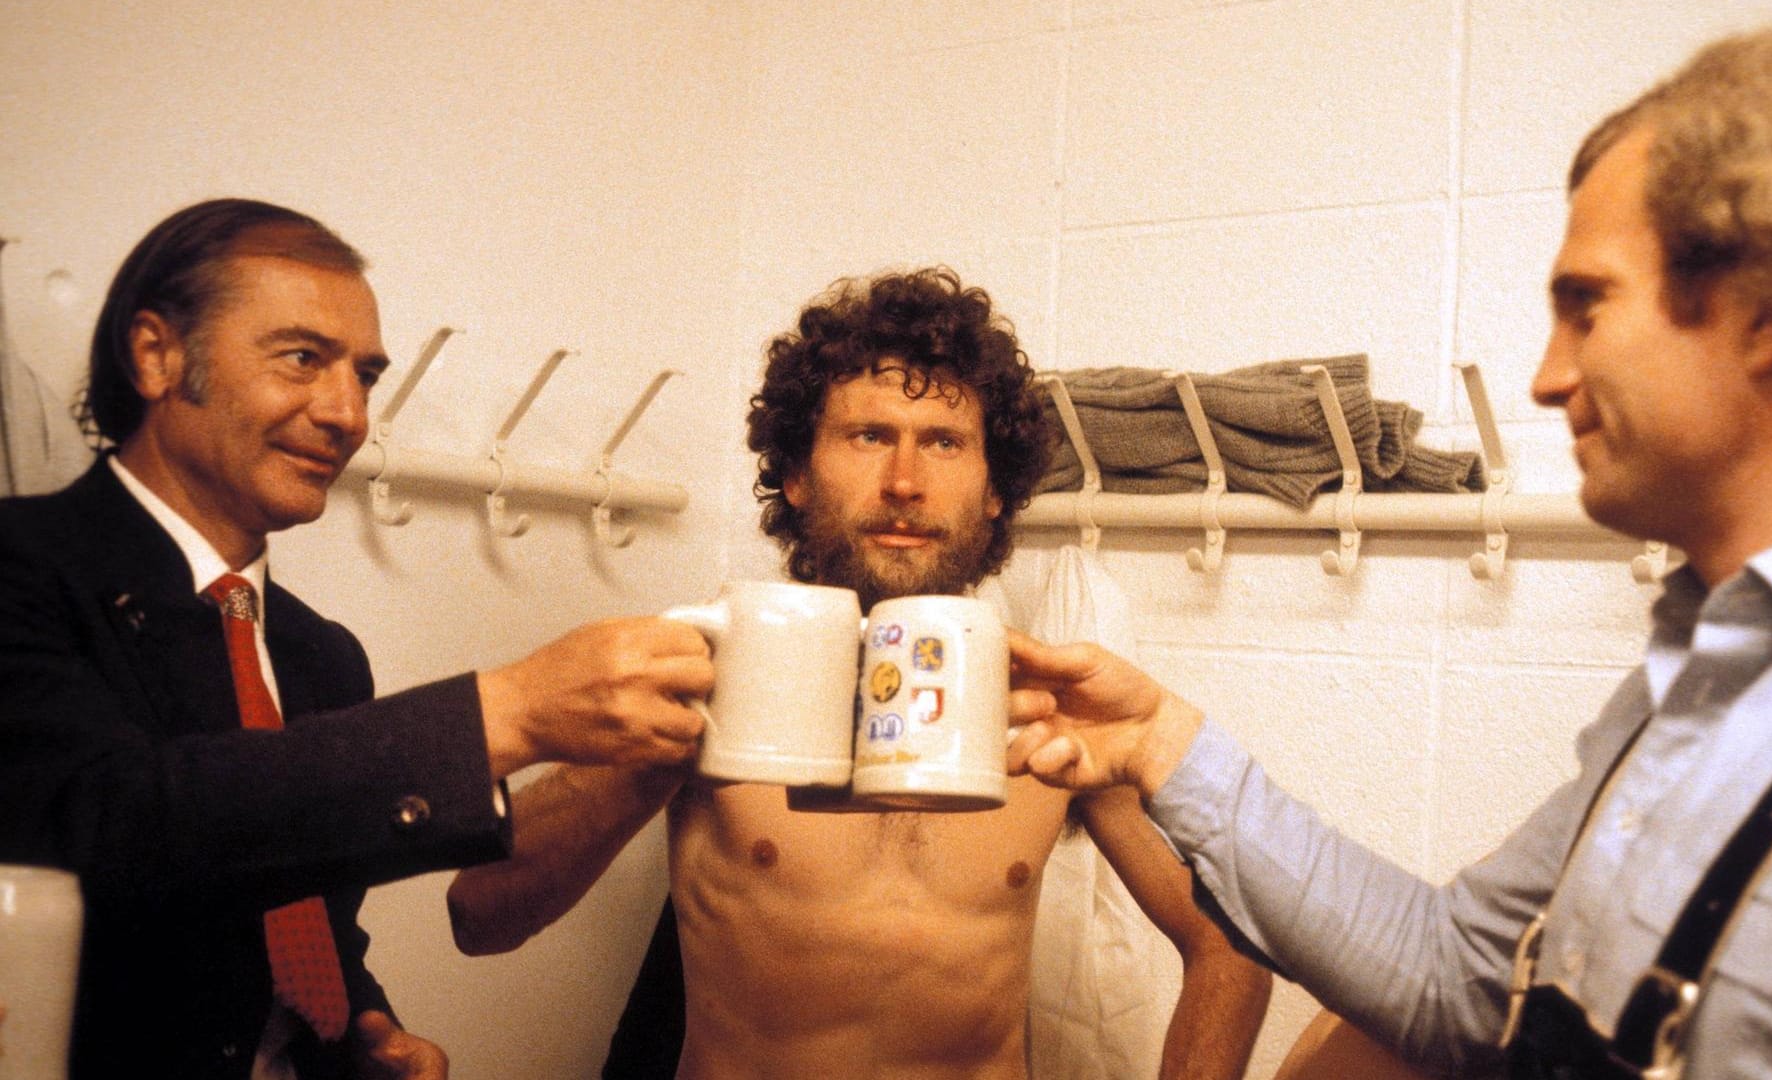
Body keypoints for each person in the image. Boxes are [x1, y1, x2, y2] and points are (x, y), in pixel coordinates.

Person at [1005, 24, 1772, 1080]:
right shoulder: (1697, 680)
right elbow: (1452, 984)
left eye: (1588, 307)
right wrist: (1161, 739)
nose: (1545, 376)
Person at [447, 267, 1273, 1078]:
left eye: (944, 443)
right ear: (798, 474)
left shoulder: (1046, 711)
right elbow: (480, 914)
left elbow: (1233, 941)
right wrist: (651, 764)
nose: (906, 483)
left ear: (994, 490)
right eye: (869, 436)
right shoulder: (708, 670)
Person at [0, 199, 716, 1080]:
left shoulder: (317, 653)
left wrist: (354, 1026)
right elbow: (113, 828)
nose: (346, 412)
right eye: (302, 358)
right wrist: (507, 711)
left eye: (366, 375)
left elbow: (289, 902)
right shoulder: (20, 569)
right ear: (158, 355)